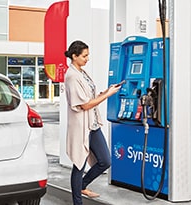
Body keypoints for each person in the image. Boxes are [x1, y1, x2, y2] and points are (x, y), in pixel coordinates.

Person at [64, 40, 121, 205]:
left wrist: (104, 92)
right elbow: (84, 104)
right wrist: (108, 95)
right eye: (84, 55)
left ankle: (82, 185)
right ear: (74, 56)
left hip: (93, 125)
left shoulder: (81, 72)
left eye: (88, 55)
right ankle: (77, 202)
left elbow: (90, 98)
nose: (87, 58)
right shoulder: (72, 76)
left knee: (105, 161)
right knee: (79, 164)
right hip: (81, 127)